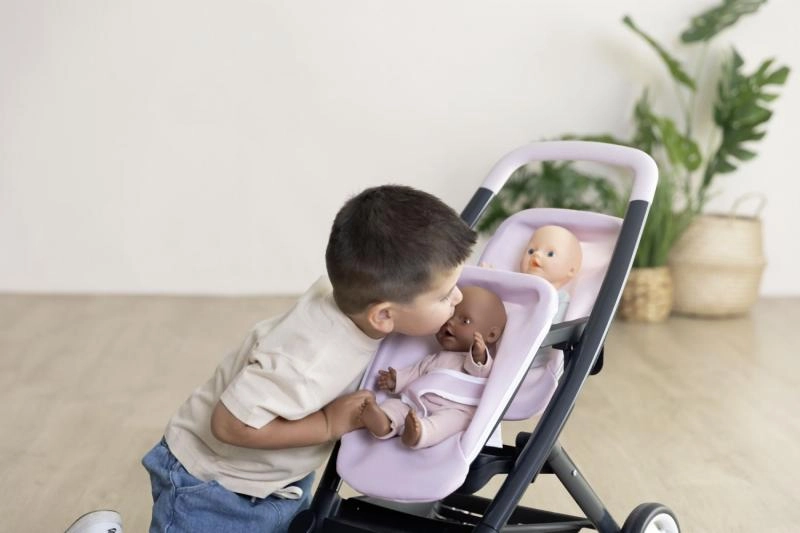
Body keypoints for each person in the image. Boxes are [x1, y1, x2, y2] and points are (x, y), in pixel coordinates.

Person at [65, 185, 476, 533]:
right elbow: (230, 423)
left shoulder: (350, 298)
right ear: (383, 316)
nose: (458, 298)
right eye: (446, 295)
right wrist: (328, 424)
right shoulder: (310, 359)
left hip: (275, 481)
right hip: (214, 484)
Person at [359, 285, 507, 449]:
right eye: (449, 316)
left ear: (491, 335)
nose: (450, 322)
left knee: (448, 423)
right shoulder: (435, 358)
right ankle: (383, 422)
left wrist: (479, 355)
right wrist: (396, 380)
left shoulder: (478, 360)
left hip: (455, 409)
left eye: (465, 321)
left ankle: (419, 434)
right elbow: (417, 372)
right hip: (417, 401)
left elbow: (481, 372)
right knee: (397, 406)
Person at [519, 225, 582, 322]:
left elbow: (554, 327)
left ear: (571, 270)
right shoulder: (514, 287)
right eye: (531, 251)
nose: (536, 254)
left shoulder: (559, 298)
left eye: (550, 254)